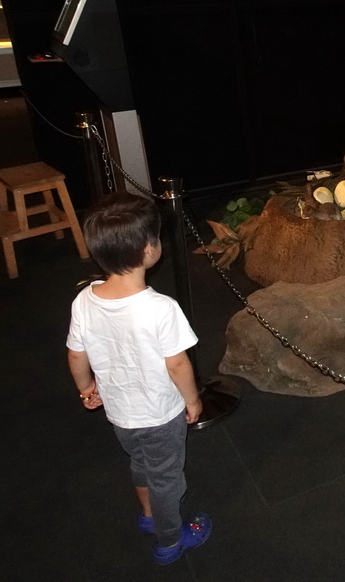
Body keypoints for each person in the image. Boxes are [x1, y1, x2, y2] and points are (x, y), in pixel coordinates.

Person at [66, 191, 211, 565]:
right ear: (149, 249)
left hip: (119, 412)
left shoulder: (84, 301)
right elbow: (178, 365)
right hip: (160, 415)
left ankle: (148, 515)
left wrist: (86, 388)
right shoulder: (161, 308)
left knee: (139, 461)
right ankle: (169, 539)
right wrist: (193, 400)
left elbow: (76, 353)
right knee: (167, 478)